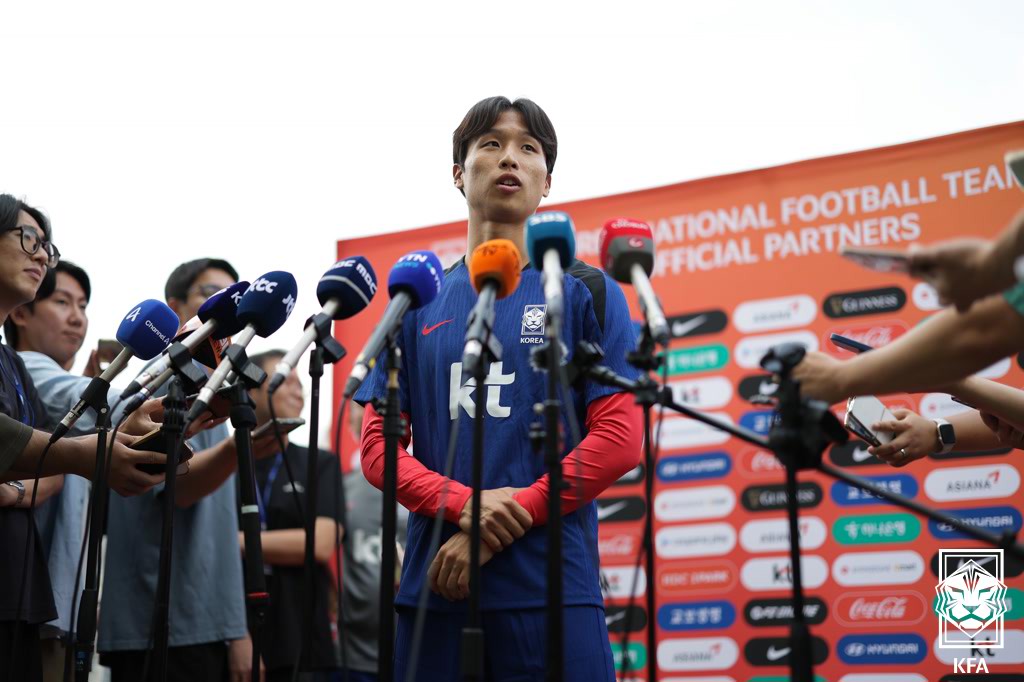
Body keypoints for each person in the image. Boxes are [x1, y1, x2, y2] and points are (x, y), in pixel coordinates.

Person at [354, 96, 643, 681]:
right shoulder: (415, 301)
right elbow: (378, 451)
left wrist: (506, 517)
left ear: (547, 182)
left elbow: (620, 439)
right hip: (437, 588)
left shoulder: (590, 290)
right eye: (491, 144)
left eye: (528, 148)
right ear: (459, 173)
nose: (510, 157)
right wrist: (467, 507)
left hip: (553, 589)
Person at [0, 195, 164, 682]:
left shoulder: (11, 366)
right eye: (27, 238)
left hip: (19, 594)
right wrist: (77, 455)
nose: (40, 256)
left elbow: (41, 453)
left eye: (46, 246)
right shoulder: (29, 364)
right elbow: (47, 453)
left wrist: (138, 428)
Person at [98, 258, 280, 682]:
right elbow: (176, 488)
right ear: (175, 307)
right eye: (212, 295)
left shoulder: (218, 382)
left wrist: (236, 629)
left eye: (238, 300)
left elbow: (217, 537)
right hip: (165, 624)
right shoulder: (168, 378)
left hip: (205, 622)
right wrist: (242, 448)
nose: (232, 313)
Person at [240, 349, 345, 682]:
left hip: (300, 633)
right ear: (251, 389)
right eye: (286, 380)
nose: (298, 390)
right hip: (235, 631)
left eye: (302, 382)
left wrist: (238, 542)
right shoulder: (222, 464)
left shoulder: (319, 462)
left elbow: (320, 544)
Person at [337, 401, 407, 682]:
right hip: (355, 650)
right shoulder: (342, 484)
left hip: (415, 641)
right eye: (358, 408)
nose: (364, 415)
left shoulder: (429, 479)